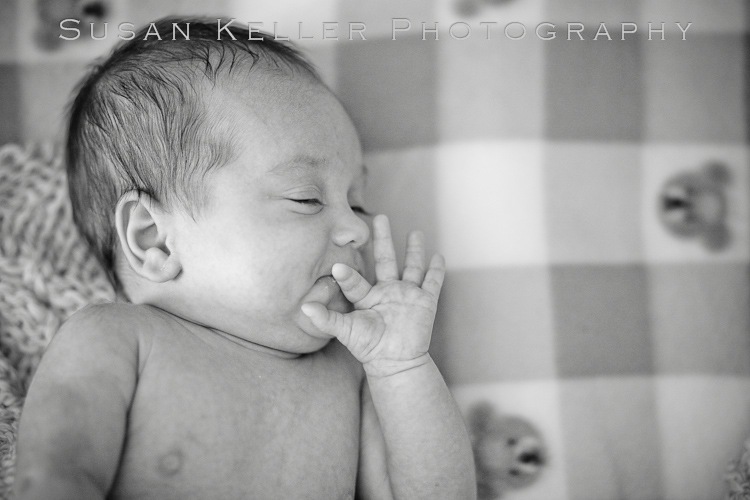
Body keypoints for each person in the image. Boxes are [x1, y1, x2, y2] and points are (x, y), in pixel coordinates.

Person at [14, 18, 476, 499]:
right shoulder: (114, 340)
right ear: (155, 239)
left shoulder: (350, 371)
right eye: (306, 198)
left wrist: (401, 368)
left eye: (357, 202)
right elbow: (52, 481)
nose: (358, 229)